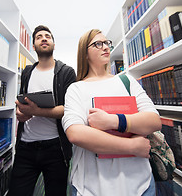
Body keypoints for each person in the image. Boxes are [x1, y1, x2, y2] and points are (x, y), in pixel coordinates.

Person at [62, 29, 162, 196]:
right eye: (98, 44)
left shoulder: (126, 81)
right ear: (84, 54)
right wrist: (131, 146)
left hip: (141, 185)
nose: (105, 47)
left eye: (107, 43)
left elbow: (153, 120)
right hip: (92, 188)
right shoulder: (76, 88)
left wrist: (113, 121)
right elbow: (75, 133)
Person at [8, 25, 76, 196]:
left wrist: (35, 111)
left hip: (56, 148)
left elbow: (68, 108)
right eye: (39, 37)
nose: (44, 38)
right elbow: (23, 102)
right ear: (33, 45)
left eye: (48, 36)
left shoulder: (66, 72)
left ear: (53, 43)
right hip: (25, 147)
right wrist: (20, 113)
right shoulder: (27, 72)